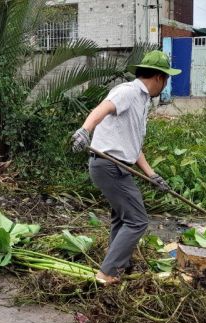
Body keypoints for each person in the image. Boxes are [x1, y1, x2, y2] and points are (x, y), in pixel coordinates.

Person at [70, 50, 180, 285]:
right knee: (137, 220)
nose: (165, 85)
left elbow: (132, 146)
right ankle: (107, 273)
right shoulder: (128, 91)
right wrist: (84, 130)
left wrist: (152, 175)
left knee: (122, 219)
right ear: (160, 78)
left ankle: (119, 268)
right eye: (167, 79)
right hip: (108, 166)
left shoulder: (141, 101)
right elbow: (102, 108)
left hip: (118, 165)